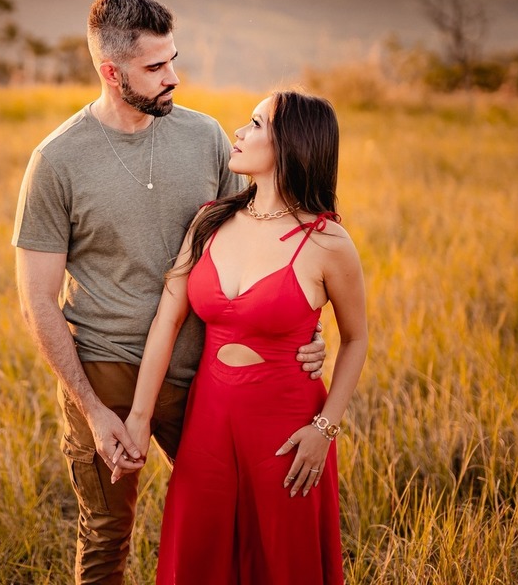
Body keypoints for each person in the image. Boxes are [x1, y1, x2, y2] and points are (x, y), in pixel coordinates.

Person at [12, 0, 327, 585]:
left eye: (173, 61)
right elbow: (35, 301)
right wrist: (93, 410)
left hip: (204, 370)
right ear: (112, 72)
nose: (173, 78)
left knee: (237, 517)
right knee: (106, 536)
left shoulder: (206, 138)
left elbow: (265, 240)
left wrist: (306, 335)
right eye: (155, 68)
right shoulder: (56, 160)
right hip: (105, 370)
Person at [116, 89, 368, 584]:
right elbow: (167, 319)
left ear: (290, 145)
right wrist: (140, 417)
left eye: (255, 124)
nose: (239, 132)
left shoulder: (327, 241)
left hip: (285, 428)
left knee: (281, 560)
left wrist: (325, 429)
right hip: (208, 421)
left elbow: (357, 338)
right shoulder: (211, 219)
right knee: (198, 555)